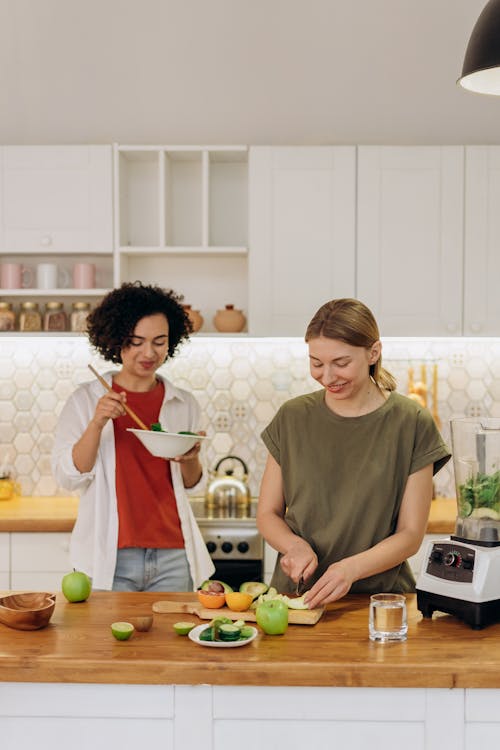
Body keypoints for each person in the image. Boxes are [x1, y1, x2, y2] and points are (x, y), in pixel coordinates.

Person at [257, 298, 450, 610]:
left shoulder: (411, 422)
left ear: (373, 352)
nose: (328, 376)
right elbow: (267, 513)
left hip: (380, 603)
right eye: (316, 363)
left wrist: (350, 569)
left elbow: (411, 534)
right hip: (297, 600)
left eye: (341, 363)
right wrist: (294, 546)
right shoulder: (292, 417)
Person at [52, 282, 214, 592]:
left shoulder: (183, 403)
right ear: (115, 341)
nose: (148, 353)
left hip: (174, 554)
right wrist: (97, 422)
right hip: (110, 554)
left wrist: (191, 457)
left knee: (169, 642)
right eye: (136, 341)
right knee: (110, 641)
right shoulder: (86, 400)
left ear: (172, 342)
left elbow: (191, 484)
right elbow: (69, 476)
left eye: (159, 341)